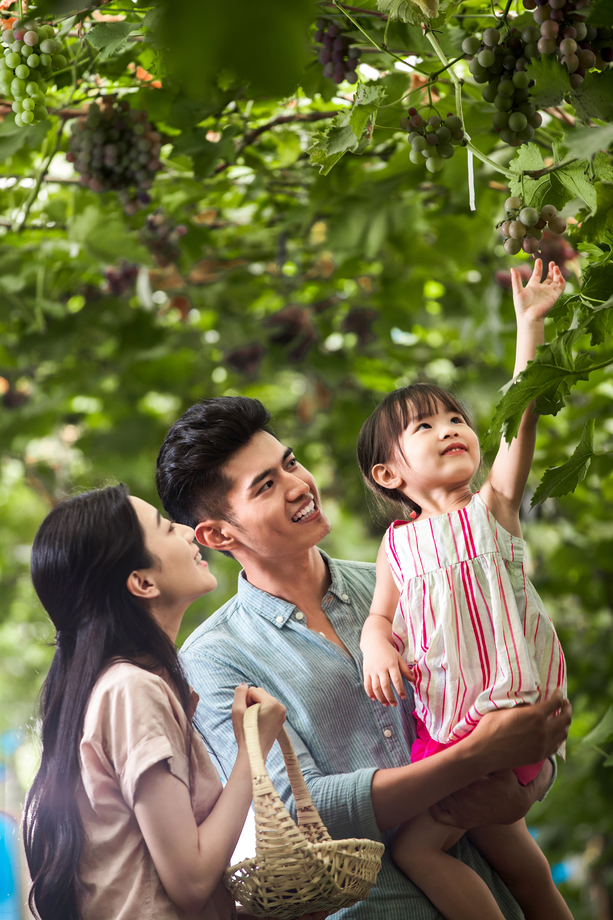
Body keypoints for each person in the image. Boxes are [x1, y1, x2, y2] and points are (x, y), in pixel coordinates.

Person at [156, 393, 571, 919]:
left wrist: (529, 785)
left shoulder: (408, 578)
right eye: (266, 485)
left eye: (290, 463)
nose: (299, 485)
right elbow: (295, 810)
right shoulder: (215, 660)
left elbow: (511, 678)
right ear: (217, 534)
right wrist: (473, 760)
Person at [357, 259, 572, 920]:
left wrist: (528, 326)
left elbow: (518, 421)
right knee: (521, 866)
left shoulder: (490, 510)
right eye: (423, 426)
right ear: (388, 472)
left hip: (510, 719)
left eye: (454, 418)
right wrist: (376, 647)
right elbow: (378, 617)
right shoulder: (396, 545)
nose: (449, 427)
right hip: (449, 736)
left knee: (422, 851)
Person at [22, 484, 310, 920]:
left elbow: (148, 881)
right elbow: (190, 882)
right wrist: (254, 750)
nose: (188, 532)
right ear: (142, 582)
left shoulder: (120, 688)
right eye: (165, 527)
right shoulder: (130, 690)